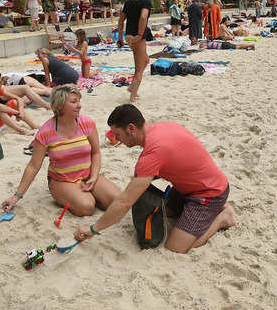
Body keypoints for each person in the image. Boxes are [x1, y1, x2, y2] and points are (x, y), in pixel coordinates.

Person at [73, 104, 237, 253]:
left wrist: (93, 229)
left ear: (131, 128)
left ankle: (223, 218)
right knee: (165, 211)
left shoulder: (152, 155)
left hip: (209, 193)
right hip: (187, 187)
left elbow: (124, 202)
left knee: (176, 247)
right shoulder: (162, 127)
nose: (119, 141)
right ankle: (212, 210)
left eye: (118, 135)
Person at [1, 85, 120, 216]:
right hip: (61, 180)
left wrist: (94, 176)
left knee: (117, 201)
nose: (79, 106)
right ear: (59, 106)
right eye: (74, 102)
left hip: (87, 175)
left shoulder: (87, 123)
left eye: (79, 101)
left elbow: (96, 152)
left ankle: (87, 194)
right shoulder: (46, 132)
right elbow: (33, 166)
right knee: (87, 207)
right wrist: (16, 196)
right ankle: (76, 196)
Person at [117, 0, 153, 103]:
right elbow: (143, 17)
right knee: (139, 68)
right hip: (137, 37)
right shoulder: (146, 2)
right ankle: (132, 95)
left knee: (146, 60)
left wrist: (120, 38)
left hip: (128, 36)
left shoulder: (129, 0)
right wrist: (140, 34)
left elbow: (121, 20)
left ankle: (133, 88)